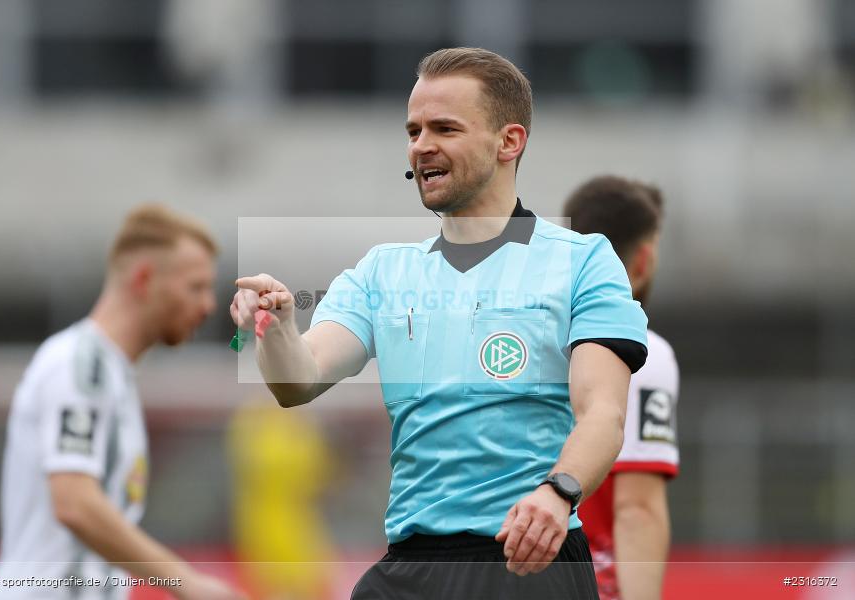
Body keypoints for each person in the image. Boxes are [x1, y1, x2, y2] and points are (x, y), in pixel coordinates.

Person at [231, 47, 648, 599]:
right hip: (409, 569)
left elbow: (603, 412)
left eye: (445, 128)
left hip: (527, 561)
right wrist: (277, 328)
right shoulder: (383, 270)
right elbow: (297, 380)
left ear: (509, 141)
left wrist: (557, 492)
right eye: (414, 129)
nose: (422, 144)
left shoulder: (583, 261)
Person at [0, 205, 245, 600]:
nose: (209, 305)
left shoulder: (111, 375)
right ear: (144, 279)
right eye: (195, 287)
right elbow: (74, 501)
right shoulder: (80, 365)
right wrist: (188, 583)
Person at [565, 176, 680, 600]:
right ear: (644, 260)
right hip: (590, 582)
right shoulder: (643, 353)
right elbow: (637, 508)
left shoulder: (530, 339)